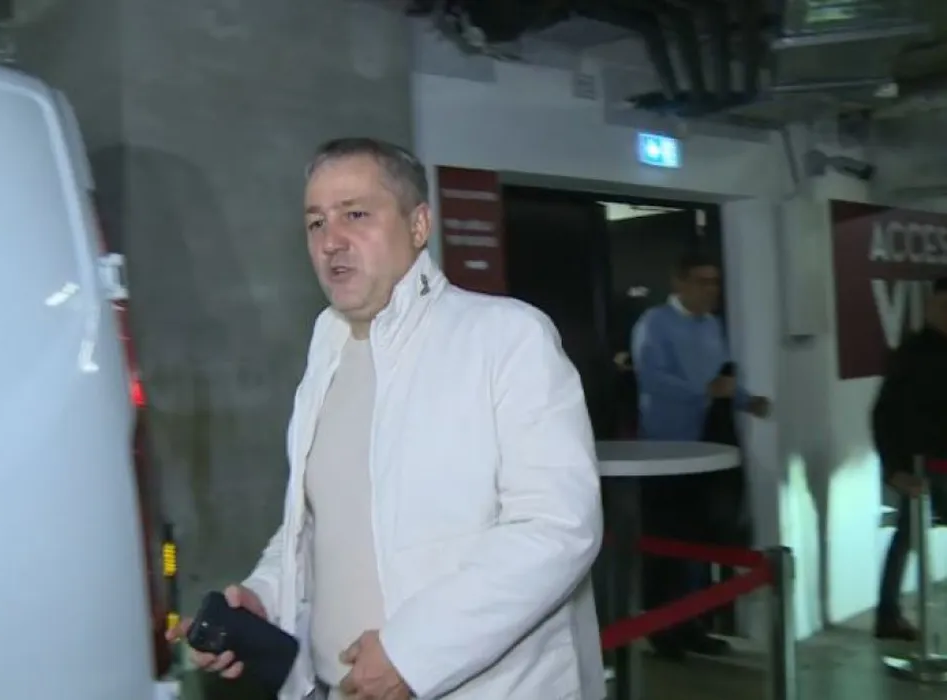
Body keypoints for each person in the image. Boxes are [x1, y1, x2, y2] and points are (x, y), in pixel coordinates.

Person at [170, 137, 605, 700]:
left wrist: (413, 653)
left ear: (418, 225)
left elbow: (556, 527)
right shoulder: (328, 350)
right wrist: (264, 598)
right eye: (316, 223)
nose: (331, 241)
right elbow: (317, 524)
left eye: (355, 214)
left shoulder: (506, 338)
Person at [630, 251, 771, 659]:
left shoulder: (712, 326)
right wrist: (703, 392)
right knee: (667, 542)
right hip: (666, 453)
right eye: (702, 281)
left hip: (709, 452)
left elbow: (720, 382)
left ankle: (693, 624)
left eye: (715, 282)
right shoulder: (655, 324)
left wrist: (746, 400)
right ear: (679, 282)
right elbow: (652, 379)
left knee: (699, 539)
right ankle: (662, 628)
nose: (711, 290)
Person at [872, 276, 947, 641]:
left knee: (906, 535)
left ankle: (888, 614)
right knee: (906, 535)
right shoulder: (913, 353)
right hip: (923, 466)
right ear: (932, 307)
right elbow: (884, 415)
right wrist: (895, 470)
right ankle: (888, 614)